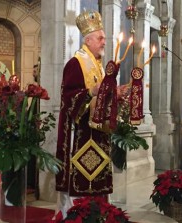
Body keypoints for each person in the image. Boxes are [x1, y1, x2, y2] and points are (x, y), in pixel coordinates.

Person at [55, 10, 126, 218]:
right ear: (88, 39)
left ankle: (98, 214)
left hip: (98, 135)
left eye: (104, 37)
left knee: (97, 180)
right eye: (100, 38)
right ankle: (77, 216)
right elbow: (68, 97)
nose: (104, 41)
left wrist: (117, 93)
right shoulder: (76, 63)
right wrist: (90, 92)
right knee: (82, 179)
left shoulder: (99, 66)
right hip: (80, 137)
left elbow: (102, 97)